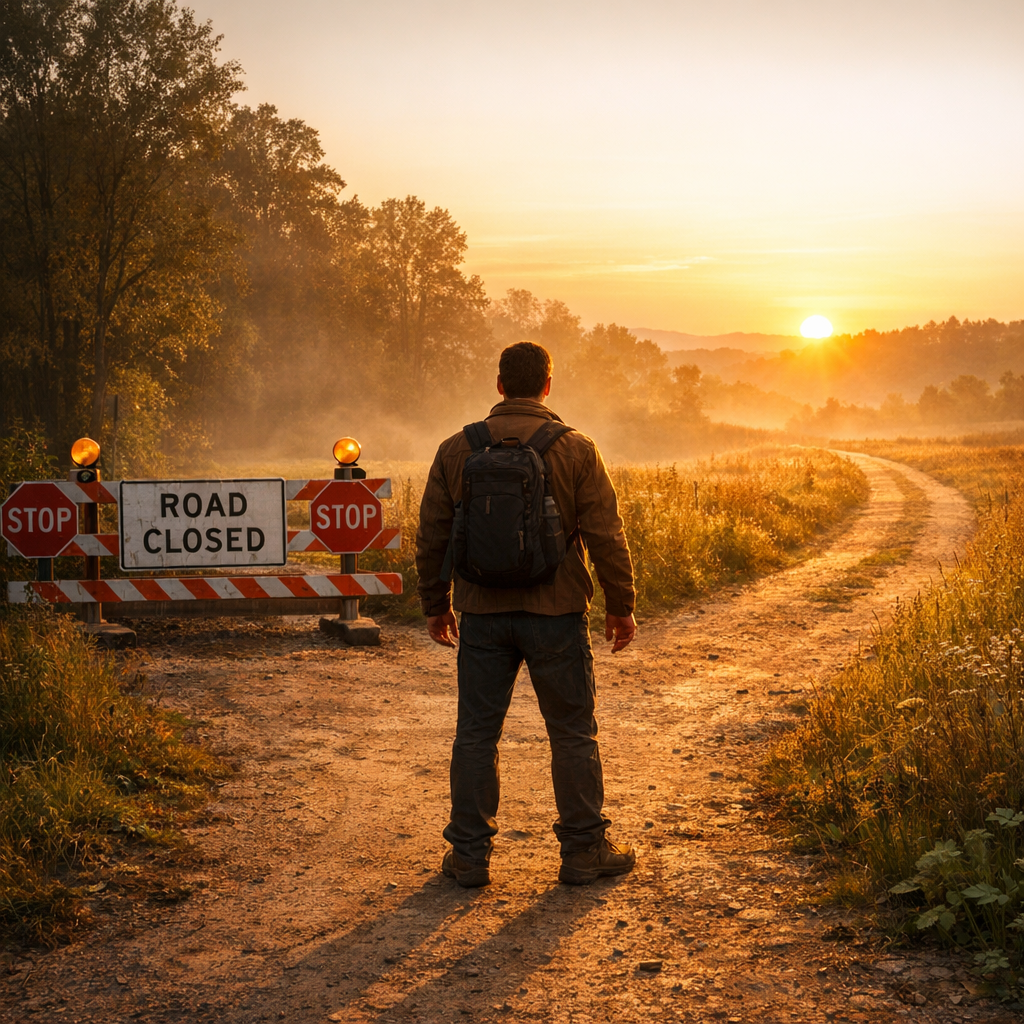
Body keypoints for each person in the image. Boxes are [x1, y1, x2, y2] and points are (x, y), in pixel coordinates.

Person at [415, 340, 638, 887]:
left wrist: (435, 604)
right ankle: (584, 850)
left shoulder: (454, 449)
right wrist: (620, 604)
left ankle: (468, 856)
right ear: (547, 385)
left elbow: (432, 535)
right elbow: (606, 533)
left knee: (475, 734)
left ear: (498, 385)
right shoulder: (576, 448)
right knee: (571, 733)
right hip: (556, 612)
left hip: (481, 615)